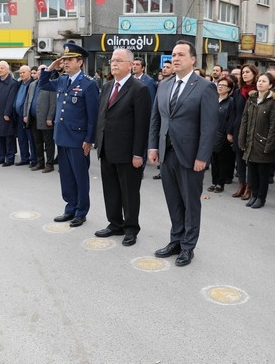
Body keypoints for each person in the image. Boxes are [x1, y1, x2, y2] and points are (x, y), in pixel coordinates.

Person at [148, 40, 218, 266]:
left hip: (190, 155)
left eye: (180, 55)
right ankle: (175, 240)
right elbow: (156, 119)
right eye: (173, 55)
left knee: (190, 203)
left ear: (192, 59)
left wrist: (202, 157)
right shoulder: (165, 85)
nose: (174, 59)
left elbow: (209, 127)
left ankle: (188, 247)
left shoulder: (204, 87)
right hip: (167, 153)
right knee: (173, 201)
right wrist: (153, 146)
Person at [94, 48, 151, 246]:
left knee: (129, 192)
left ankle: (131, 228)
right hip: (107, 149)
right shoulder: (107, 86)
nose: (114, 63)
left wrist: (138, 153)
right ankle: (115, 224)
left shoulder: (139, 89)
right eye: (112, 60)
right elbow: (102, 116)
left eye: (119, 60)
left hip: (127, 153)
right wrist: (97, 142)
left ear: (130, 65)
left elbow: (141, 125)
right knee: (110, 190)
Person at [38, 43, 100, 228]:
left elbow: (93, 116)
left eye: (69, 60)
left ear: (79, 62)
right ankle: (70, 207)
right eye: (63, 59)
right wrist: (51, 67)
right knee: (65, 175)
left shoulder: (88, 84)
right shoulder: (63, 80)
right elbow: (43, 84)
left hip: (78, 140)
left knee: (80, 177)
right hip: (62, 136)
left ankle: (81, 211)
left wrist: (89, 140)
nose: (65, 62)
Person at [238, 73, 275, 209]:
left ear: (270, 85)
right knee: (252, 172)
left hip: (264, 143)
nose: (260, 83)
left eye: (264, 81)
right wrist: (242, 140)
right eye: (259, 81)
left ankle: (261, 198)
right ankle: (254, 195)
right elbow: (244, 119)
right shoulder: (251, 99)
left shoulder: (273, 102)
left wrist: (269, 145)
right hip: (251, 142)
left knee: (263, 174)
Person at [229, 63, 258, 200]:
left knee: (250, 159)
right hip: (238, 128)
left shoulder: (258, 91)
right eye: (243, 72)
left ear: (254, 74)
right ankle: (241, 184)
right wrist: (230, 131)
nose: (244, 74)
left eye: (247, 72)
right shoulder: (237, 92)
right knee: (239, 159)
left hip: (253, 129)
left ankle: (250, 187)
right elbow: (233, 112)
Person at [24, 65, 57, 173]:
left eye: (43, 70)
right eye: (39, 70)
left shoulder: (50, 84)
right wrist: (26, 115)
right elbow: (27, 100)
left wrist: (50, 117)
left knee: (48, 144)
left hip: (45, 119)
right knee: (37, 142)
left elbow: (53, 103)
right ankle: (40, 162)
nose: (40, 72)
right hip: (33, 118)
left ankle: (49, 164)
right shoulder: (32, 84)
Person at [208, 76, 236, 193]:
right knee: (213, 160)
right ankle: (214, 182)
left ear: (229, 88)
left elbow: (232, 119)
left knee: (222, 160)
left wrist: (229, 133)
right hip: (212, 134)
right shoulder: (213, 99)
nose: (220, 87)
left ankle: (221, 183)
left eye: (223, 85)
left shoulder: (231, 102)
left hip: (223, 134)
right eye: (219, 84)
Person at [0, 61, 19, 166]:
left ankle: (9, 159)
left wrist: (7, 113)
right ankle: (0, 157)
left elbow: (11, 99)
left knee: (8, 137)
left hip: (6, 115)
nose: (0, 70)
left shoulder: (13, 83)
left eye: (2, 68)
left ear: (7, 69)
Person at [14, 65, 37, 167]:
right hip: (18, 116)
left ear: (29, 72)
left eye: (23, 72)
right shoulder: (19, 84)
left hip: (28, 116)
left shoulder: (32, 84)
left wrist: (26, 114)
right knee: (21, 138)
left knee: (31, 139)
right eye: (20, 73)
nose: (21, 74)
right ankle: (24, 158)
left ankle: (34, 159)